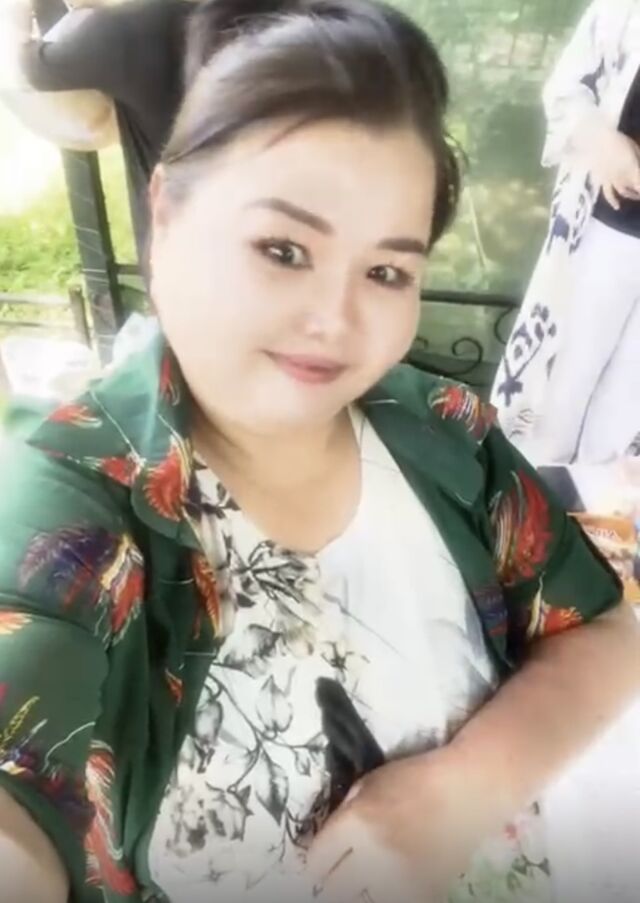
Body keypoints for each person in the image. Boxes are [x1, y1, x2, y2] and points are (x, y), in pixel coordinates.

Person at [0, 1, 639, 902]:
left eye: (386, 271)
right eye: (283, 248)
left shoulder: (441, 429)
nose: (335, 319)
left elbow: (605, 632)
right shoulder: (71, 511)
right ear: (166, 213)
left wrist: (463, 786)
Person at [491, 0, 640, 465]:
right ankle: (522, 499)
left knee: (626, 415)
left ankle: (605, 509)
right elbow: (567, 88)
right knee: (556, 388)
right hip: (602, 224)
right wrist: (601, 140)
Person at [16, 0, 196, 263]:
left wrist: (14, 12)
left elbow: (24, 68)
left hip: (181, 256)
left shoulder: (126, 31)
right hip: (251, 238)